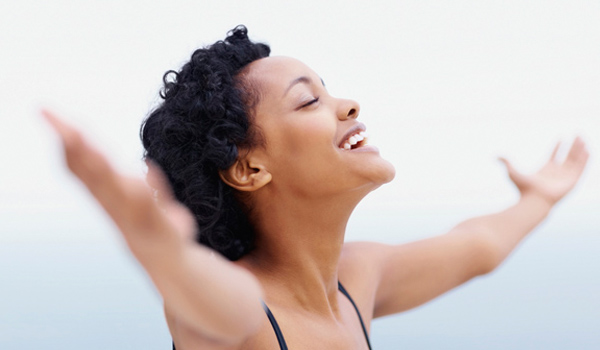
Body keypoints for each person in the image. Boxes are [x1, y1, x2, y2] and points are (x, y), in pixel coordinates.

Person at [43, 25, 589, 349]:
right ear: (249, 169)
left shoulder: (357, 277)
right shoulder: (243, 317)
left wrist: (541, 196)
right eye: (309, 101)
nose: (348, 105)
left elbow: (481, 247)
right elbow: (206, 297)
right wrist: (162, 250)